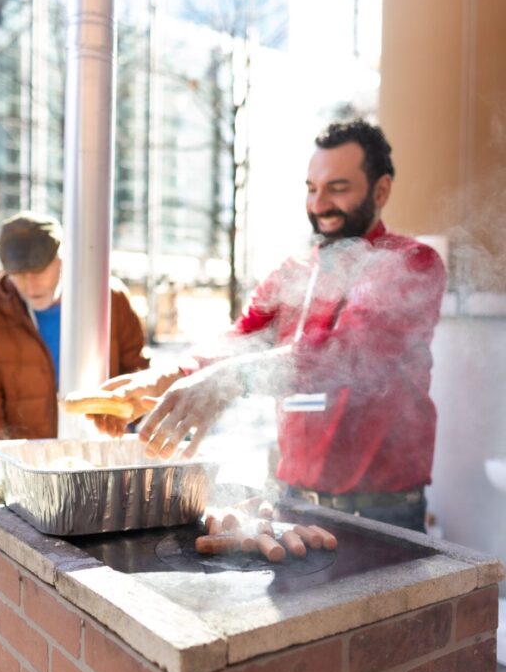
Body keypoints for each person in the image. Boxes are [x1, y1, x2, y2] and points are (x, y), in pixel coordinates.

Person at [90, 120, 447, 533]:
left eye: (338, 187)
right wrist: (170, 377)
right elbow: (242, 336)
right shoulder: (296, 270)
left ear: (380, 190)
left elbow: (347, 354)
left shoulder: (410, 262)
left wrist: (227, 379)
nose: (319, 204)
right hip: (294, 504)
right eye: (312, 188)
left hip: (381, 513)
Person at [0, 212, 149, 461]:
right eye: (19, 275)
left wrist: (139, 442)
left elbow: (138, 371)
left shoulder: (111, 298)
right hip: (30, 467)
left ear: (62, 259)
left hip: (105, 454)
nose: (31, 285)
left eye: (39, 270)